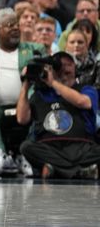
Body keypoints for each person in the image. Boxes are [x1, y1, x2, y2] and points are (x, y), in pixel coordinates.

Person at [17, 47, 100, 179]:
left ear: (75, 69)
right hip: (50, 147)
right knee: (26, 147)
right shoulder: (39, 94)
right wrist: (26, 85)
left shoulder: (86, 89)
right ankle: (79, 172)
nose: (64, 68)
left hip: (81, 147)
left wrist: (53, 83)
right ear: (51, 69)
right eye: (59, 65)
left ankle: (57, 169)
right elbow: (22, 119)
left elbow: (82, 102)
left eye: (68, 64)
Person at [0, 9, 39, 176]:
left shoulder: (34, 49)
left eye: (16, 25)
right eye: (9, 25)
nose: (15, 28)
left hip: (25, 105)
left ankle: (25, 157)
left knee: (38, 106)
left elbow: (40, 75)